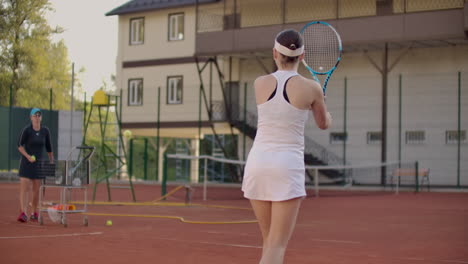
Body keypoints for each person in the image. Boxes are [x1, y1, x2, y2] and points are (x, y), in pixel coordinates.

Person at [242, 29, 332, 264]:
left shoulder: (259, 83)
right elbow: (323, 124)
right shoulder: (312, 88)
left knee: (269, 241)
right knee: (277, 244)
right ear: (302, 57)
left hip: (257, 163)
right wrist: (322, 103)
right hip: (286, 166)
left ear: (274, 53)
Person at [17, 108, 54, 222]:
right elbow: (19, 145)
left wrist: (51, 161)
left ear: (41, 117)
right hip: (26, 163)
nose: (37, 117)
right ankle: (23, 213)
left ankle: (34, 212)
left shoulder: (45, 131)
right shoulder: (27, 130)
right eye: (35, 115)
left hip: (39, 165)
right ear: (31, 117)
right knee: (25, 188)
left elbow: (49, 148)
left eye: (39, 115)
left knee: (36, 190)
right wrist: (27, 156)